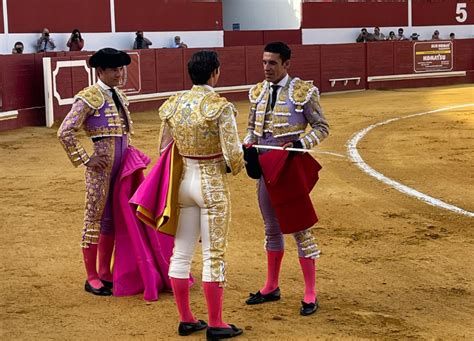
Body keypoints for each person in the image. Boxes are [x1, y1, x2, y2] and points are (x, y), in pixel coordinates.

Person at [158, 51, 244, 339]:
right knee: (214, 254)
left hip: (184, 184)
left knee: (181, 254)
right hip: (211, 184)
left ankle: (186, 319)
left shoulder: (174, 104)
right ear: (215, 73)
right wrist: (238, 166)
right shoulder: (220, 107)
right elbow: (233, 155)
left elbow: (163, 149)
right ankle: (216, 323)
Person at [243, 42, 329, 316]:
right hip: (265, 166)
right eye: (264, 62)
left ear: (287, 64)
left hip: (288, 167)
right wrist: (249, 148)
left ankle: (310, 292)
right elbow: (250, 130)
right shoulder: (257, 92)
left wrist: (302, 145)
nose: (267, 68)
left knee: (299, 228)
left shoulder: (303, 92)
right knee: (271, 227)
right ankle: (271, 286)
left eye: (273, 63)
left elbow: (321, 127)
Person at [57, 48, 133, 296]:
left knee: (111, 220)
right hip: (100, 172)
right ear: (100, 71)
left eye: (121, 69)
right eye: (114, 70)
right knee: (93, 221)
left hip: (120, 169)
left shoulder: (118, 95)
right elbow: (65, 131)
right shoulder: (89, 96)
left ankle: (105, 271)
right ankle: (91, 277)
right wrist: (86, 159)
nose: (119, 74)